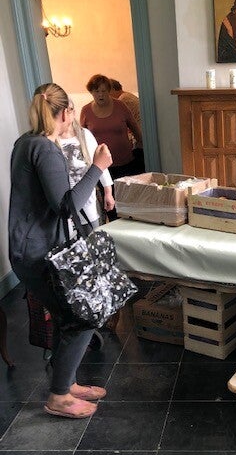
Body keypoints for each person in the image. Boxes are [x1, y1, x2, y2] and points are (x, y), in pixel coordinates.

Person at [9, 83, 112, 419]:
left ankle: (66, 384)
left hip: (30, 249)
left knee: (67, 317)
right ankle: (59, 397)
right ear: (66, 112)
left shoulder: (25, 143)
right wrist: (98, 167)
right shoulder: (45, 149)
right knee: (82, 317)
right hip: (38, 253)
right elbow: (67, 206)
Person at [80, 74, 143, 220]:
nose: (100, 95)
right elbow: (82, 137)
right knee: (110, 203)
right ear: (91, 92)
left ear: (109, 91)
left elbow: (135, 128)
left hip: (125, 162)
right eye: (96, 91)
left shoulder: (120, 106)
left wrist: (141, 147)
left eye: (104, 91)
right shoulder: (86, 111)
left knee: (128, 201)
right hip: (101, 167)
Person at [59, 98, 115, 227]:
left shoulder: (84, 134)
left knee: (92, 235)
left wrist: (108, 193)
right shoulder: (51, 139)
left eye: (69, 110)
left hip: (88, 205)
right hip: (65, 204)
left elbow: (101, 164)